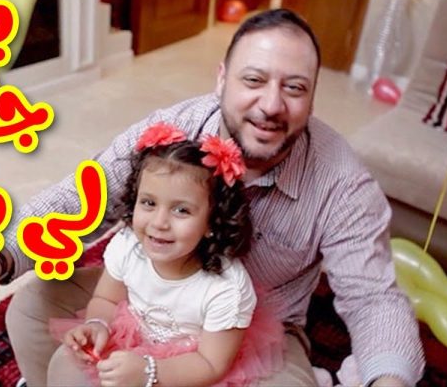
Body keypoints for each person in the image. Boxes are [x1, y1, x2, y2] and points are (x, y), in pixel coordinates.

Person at [0, 8, 425, 386]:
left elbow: (374, 298)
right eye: (254, 80)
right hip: (148, 296)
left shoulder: (343, 182)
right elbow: (81, 196)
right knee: (30, 308)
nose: (271, 105)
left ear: (312, 96)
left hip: (256, 330)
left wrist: (390, 380)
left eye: (294, 87)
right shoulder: (169, 131)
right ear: (222, 78)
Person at [47, 122, 284, 386]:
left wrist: (149, 372)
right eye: (149, 203)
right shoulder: (128, 246)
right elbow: (107, 299)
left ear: (212, 222)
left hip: (190, 366)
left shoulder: (226, 289)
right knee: (66, 365)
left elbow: (211, 364)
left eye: (181, 210)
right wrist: (98, 324)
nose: (159, 222)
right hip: (135, 340)